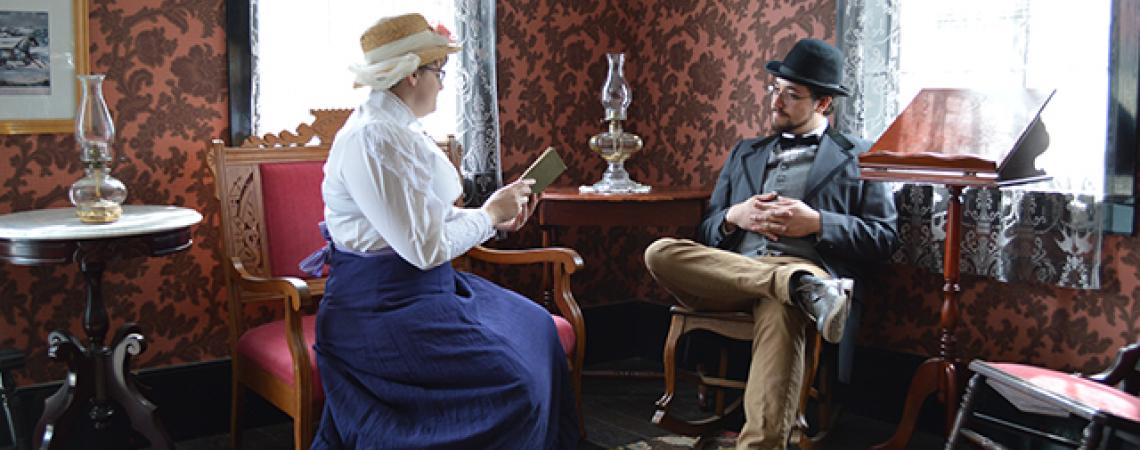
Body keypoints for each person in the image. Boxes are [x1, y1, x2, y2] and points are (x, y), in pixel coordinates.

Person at [310, 13, 578, 450]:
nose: (443, 82)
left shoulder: (400, 130)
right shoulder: (373, 138)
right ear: (411, 73)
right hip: (381, 310)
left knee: (537, 326)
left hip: (427, 290)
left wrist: (495, 215)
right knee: (515, 386)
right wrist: (488, 215)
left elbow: (427, 222)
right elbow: (423, 247)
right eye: (439, 72)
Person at [643, 38, 899, 449]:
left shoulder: (861, 156)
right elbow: (708, 229)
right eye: (775, 89)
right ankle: (797, 286)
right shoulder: (744, 152)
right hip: (736, 278)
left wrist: (818, 223)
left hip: (812, 268)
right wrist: (733, 217)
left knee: (784, 308)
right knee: (659, 252)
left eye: (791, 95)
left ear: (824, 104)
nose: (776, 102)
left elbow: (883, 238)